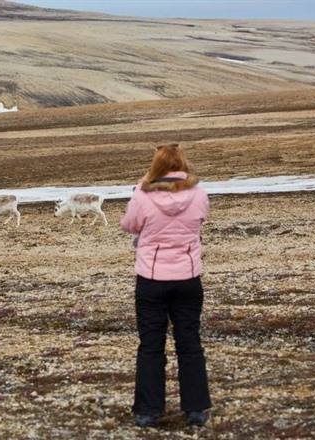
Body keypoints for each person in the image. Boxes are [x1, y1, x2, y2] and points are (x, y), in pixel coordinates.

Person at [120, 143, 211, 428]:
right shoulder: (198, 195)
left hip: (152, 279)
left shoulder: (142, 197)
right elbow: (201, 218)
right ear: (183, 165)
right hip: (188, 278)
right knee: (189, 342)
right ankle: (196, 409)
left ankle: (148, 411)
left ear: (155, 167)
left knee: (150, 345)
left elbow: (129, 225)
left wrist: (142, 185)